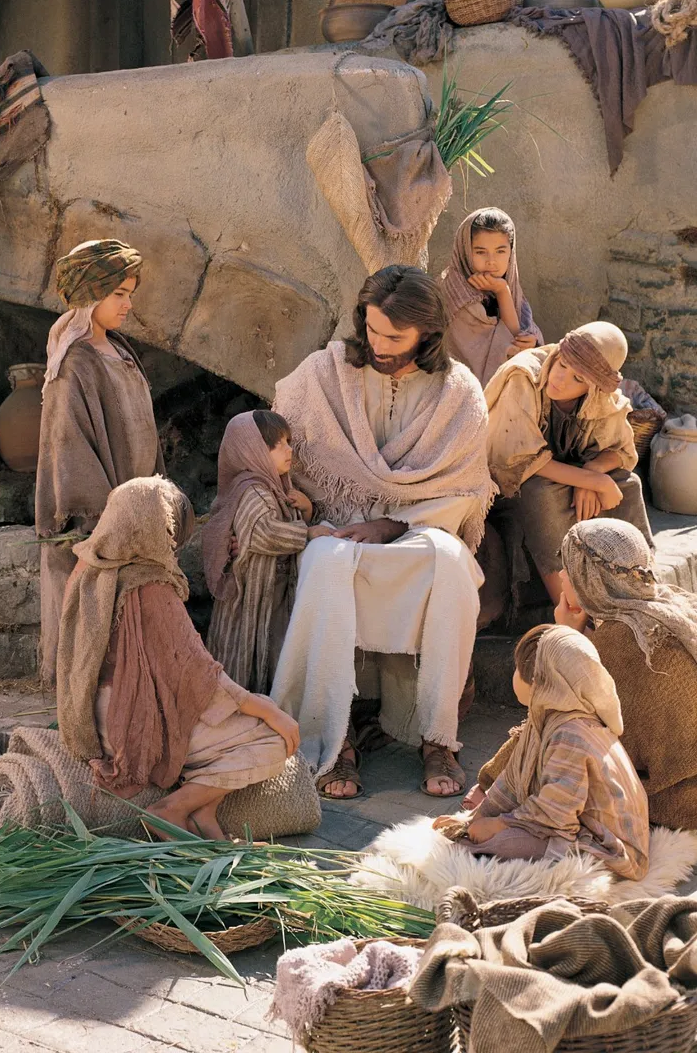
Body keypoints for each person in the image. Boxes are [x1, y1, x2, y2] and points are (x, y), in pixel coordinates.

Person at [271, 265, 493, 800]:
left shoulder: (458, 392)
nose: (379, 344)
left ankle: (438, 737)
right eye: (371, 330)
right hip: (335, 527)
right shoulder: (323, 373)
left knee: (450, 562)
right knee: (325, 561)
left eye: (395, 337)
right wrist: (312, 514)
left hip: (418, 530)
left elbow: (465, 488)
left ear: (428, 334)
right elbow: (278, 448)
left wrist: (393, 522)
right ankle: (335, 737)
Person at [56, 475, 299, 841]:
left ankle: (206, 815)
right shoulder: (150, 586)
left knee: (240, 717)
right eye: (172, 536)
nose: (174, 547)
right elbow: (198, 674)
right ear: (155, 530)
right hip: (132, 720)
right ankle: (172, 809)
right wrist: (269, 711)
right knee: (272, 741)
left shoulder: (88, 567)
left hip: (98, 714)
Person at [36, 239, 164, 685]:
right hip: (102, 527)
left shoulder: (121, 351)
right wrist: (108, 527)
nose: (128, 304)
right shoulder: (72, 367)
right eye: (119, 295)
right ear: (91, 295)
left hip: (136, 511)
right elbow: (69, 455)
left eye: (130, 293)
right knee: (99, 645)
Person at [436, 624, 649, 879]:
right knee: (488, 834)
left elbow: (554, 811)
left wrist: (498, 826)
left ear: (539, 681)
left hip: (609, 850)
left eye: (517, 669)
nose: (514, 674)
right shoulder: (547, 719)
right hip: (572, 823)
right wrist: (475, 818)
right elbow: (511, 782)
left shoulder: (570, 734)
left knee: (503, 843)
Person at [556, 519, 697, 833]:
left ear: (591, 580)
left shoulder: (620, 642)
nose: (561, 575)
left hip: (692, 803)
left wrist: (565, 636)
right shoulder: (677, 602)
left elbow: (555, 714)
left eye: (570, 569)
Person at [485, 320, 653, 607]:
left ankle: (642, 591)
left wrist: (594, 470)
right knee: (542, 492)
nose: (560, 379)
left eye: (578, 379)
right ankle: (570, 609)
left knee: (629, 483)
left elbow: (621, 451)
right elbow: (521, 463)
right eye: (561, 365)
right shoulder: (523, 377)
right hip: (506, 486)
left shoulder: (601, 395)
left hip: (566, 476)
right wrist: (593, 481)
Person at [204, 410, 333, 693]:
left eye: (287, 441)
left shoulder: (276, 487)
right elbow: (262, 532)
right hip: (251, 597)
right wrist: (308, 533)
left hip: (272, 596)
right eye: (276, 444)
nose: (288, 449)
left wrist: (307, 510)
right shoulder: (252, 490)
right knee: (244, 655)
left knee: (271, 652)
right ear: (250, 450)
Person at [440, 207, 543, 387]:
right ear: (465, 251)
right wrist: (502, 292)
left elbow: (520, 339)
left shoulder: (511, 287)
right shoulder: (453, 295)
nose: (491, 261)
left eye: (500, 251)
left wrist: (531, 341)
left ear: (511, 252)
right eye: (480, 252)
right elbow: (509, 348)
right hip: (461, 391)